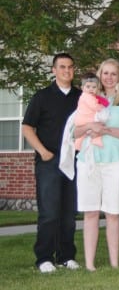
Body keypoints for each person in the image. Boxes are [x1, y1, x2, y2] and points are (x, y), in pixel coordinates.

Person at [73, 58, 119, 271]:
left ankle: (114, 264)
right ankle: (90, 264)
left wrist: (106, 130)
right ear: (99, 75)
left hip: (115, 163)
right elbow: (74, 132)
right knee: (90, 212)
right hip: (89, 161)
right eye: (105, 73)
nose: (109, 78)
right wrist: (90, 126)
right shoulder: (87, 98)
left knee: (113, 213)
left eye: (113, 74)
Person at [22, 53, 82, 273]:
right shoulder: (42, 97)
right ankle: (44, 258)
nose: (67, 71)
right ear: (54, 70)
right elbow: (27, 127)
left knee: (69, 213)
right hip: (49, 161)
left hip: (74, 162)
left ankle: (66, 256)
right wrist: (43, 151)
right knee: (49, 213)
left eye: (70, 67)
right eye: (62, 67)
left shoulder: (81, 97)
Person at [74, 72, 110, 150]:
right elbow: (94, 106)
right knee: (98, 126)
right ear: (82, 87)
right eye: (88, 87)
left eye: (94, 87)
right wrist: (101, 107)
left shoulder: (85, 96)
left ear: (97, 88)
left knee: (83, 135)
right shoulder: (87, 96)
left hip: (81, 119)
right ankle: (97, 141)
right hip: (86, 119)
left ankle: (77, 145)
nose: (91, 89)